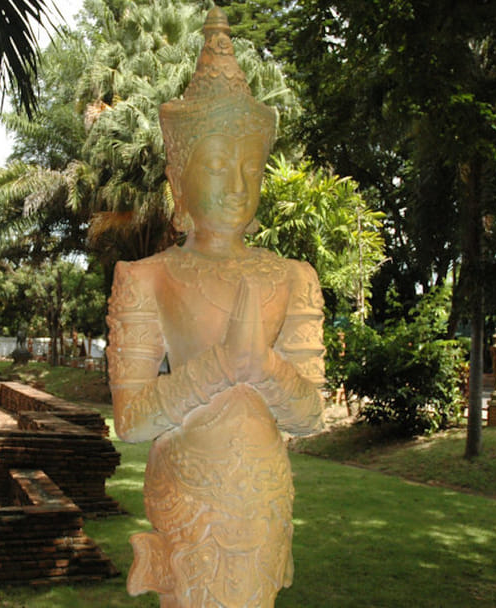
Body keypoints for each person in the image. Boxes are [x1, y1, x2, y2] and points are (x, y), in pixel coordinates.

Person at [106, 8, 325, 607]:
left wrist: (265, 368)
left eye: (250, 165)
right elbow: (132, 422)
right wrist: (221, 366)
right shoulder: (146, 278)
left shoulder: (292, 276)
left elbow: (310, 415)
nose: (237, 182)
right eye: (218, 164)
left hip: (265, 499)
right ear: (179, 177)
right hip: (188, 497)